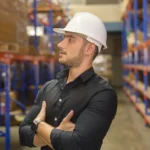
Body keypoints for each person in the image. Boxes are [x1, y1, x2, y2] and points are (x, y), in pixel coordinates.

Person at [19, 12, 117, 150]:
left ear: (89, 48)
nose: (60, 44)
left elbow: (77, 145)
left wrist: (39, 124)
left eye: (70, 39)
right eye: (64, 38)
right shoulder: (49, 87)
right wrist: (56, 132)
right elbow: (23, 134)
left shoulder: (102, 94)